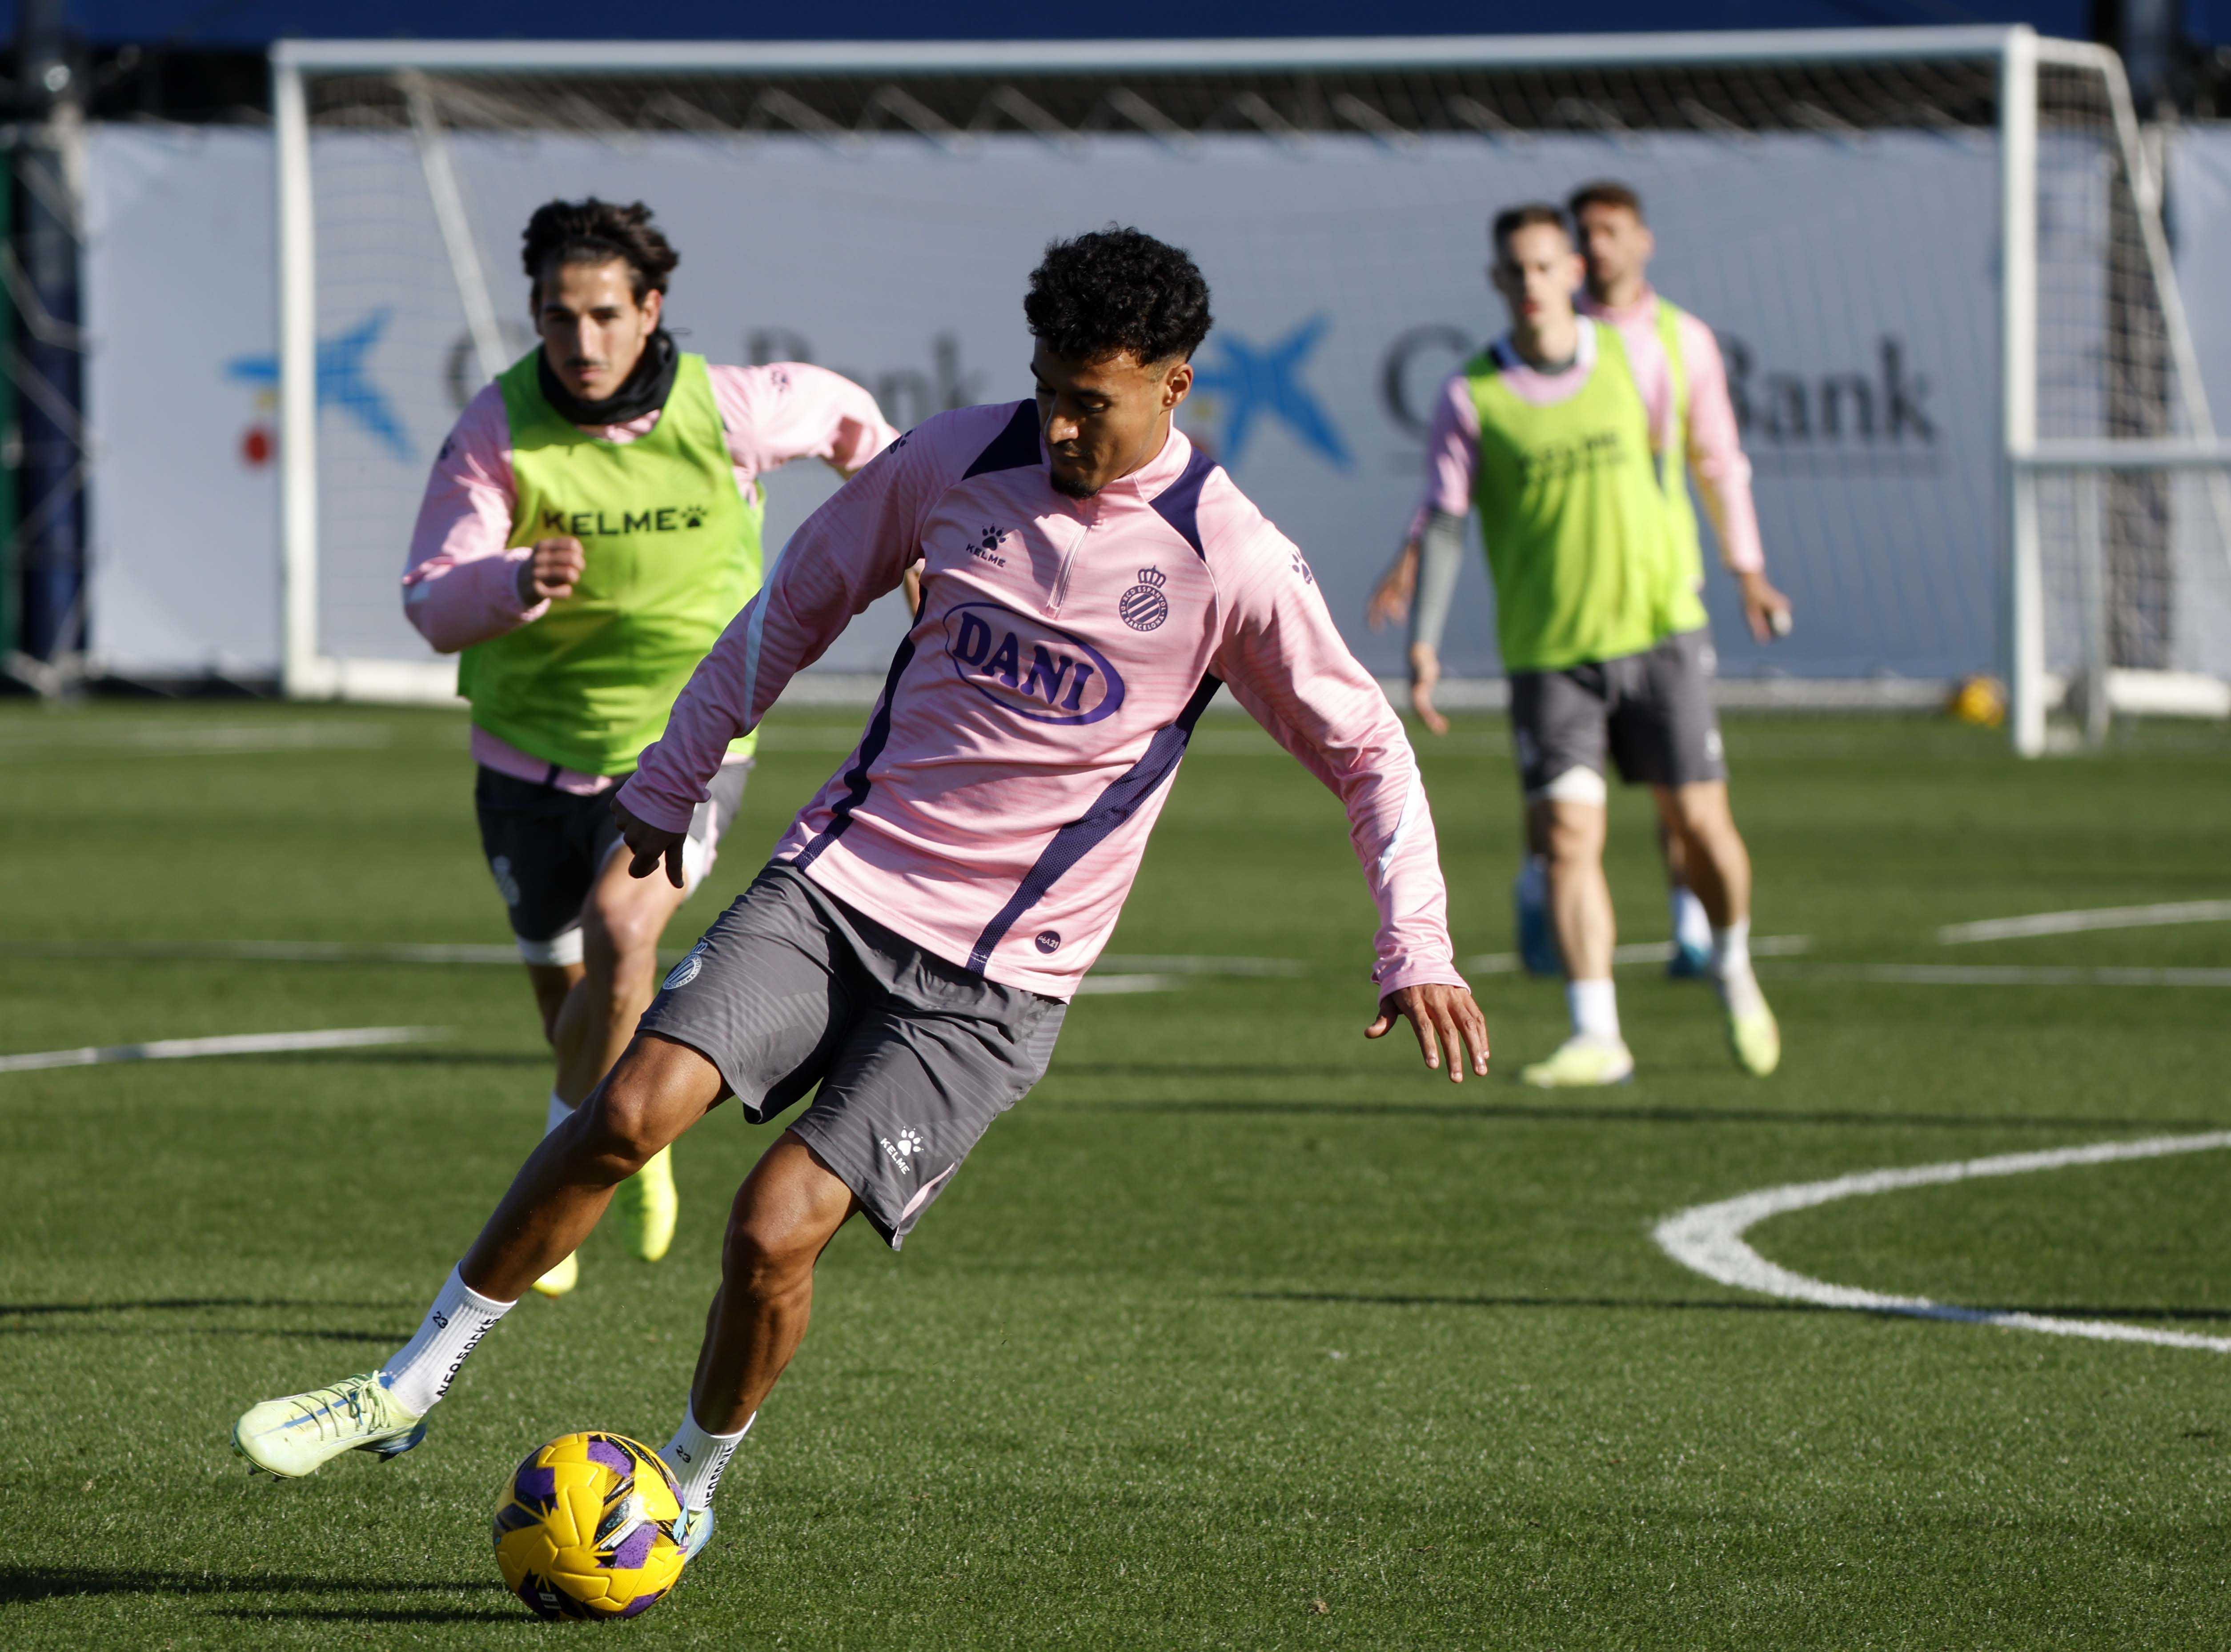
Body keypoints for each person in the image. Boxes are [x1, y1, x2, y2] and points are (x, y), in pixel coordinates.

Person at [231, 229, 1493, 1563]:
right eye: (1048, 388)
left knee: (773, 1227)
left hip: (998, 985)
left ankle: (690, 1482)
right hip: (838, 887)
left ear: (1175, 386)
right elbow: (796, 604)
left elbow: (1367, 749)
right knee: (628, 1108)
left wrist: (1414, 938)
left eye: (1095, 401)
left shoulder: (1229, 557)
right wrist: (674, 772)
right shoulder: (953, 458)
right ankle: (403, 1385)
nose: (1061, 423)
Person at [399, 198, 896, 1298]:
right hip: (527, 751)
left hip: (690, 737)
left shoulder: (729, 408)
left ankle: (563, 1175)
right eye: (557, 316)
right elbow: (431, 601)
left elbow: (850, 420)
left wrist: (905, 516)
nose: (580, 341)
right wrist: (512, 582)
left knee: (627, 934)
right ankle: (629, 1133)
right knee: (569, 1004)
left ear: (651, 310)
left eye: (604, 315)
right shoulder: (498, 426)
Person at [1370, 204, 1778, 1087]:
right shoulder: (1470, 392)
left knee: (1698, 826)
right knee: (1564, 836)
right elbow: (1444, 522)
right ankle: (1598, 1030)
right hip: (1549, 653)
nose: (1531, 285)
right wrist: (1426, 642)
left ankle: (1734, 961)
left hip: (1659, 630)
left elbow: (1706, 459)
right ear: (1497, 283)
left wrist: (1740, 569)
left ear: (1570, 274)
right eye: (1514, 271)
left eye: (1546, 267)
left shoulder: (1640, 359)